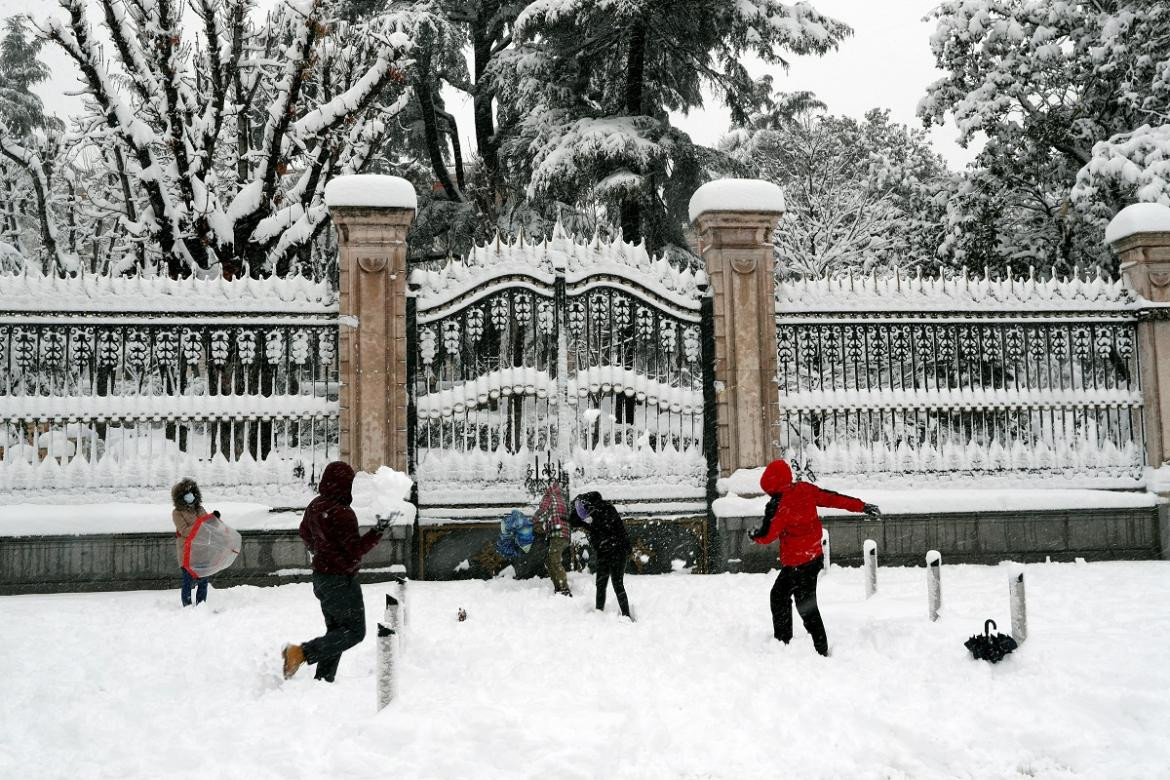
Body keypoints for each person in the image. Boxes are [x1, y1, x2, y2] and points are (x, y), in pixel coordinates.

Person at [750, 459, 880, 656]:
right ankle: (805, 644)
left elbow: (768, 535)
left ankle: (794, 644)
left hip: (797, 563)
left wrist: (754, 535)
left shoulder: (778, 504)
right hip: (814, 557)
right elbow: (833, 499)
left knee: (789, 600)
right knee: (794, 600)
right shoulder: (804, 489)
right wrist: (861, 506)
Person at [281, 461, 391, 682]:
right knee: (353, 632)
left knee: (337, 632)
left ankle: (323, 680)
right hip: (341, 580)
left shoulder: (316, 505)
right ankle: (301, 652)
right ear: (345, 484)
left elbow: (304, 532)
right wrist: (378, 531)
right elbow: (356, 550)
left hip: (322, 578)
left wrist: (320, 551)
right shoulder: (342, 513)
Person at [570, 491, 632, 618]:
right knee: (606, 583)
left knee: (612, 583)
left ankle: (624, 615)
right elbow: (573, 521)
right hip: (609, 552)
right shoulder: (590, 515)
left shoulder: (606, 510)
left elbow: (611, 526)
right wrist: (577, 505)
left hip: (615, 550)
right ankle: (601, 614)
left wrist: (590, 518)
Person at [171, 478, 215, 607]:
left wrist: (214, 518)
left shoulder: (199, 509)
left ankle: (201, 605)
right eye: (186, 493)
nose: (190, 496)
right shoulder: (177, 513)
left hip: (202, 549)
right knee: (187, 581)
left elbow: (208, 523)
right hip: (187, 551)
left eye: (192, 492)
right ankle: (187, 605)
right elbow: (184, 530)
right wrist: (200, 525)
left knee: (203, 580)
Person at [532, 477, 572, 596]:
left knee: (553, 561)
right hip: (565, 534)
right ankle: (558, 587)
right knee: (550, 561)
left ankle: (564, 588)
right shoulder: (562, 498)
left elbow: (542, 510)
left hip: (557, 533)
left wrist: (532, 520)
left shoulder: (549, 496)